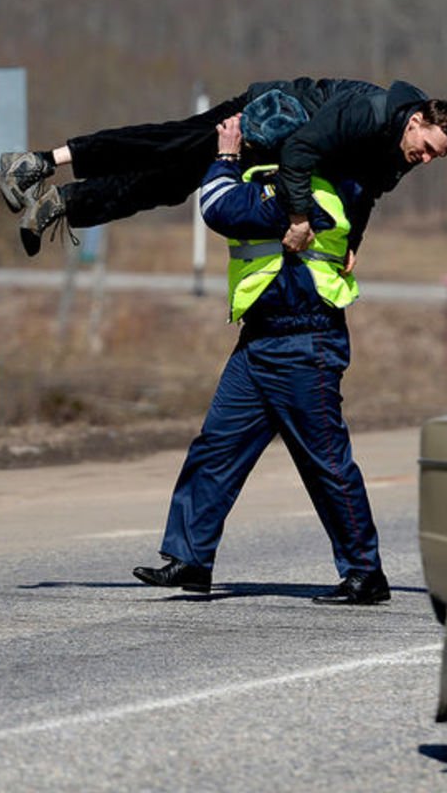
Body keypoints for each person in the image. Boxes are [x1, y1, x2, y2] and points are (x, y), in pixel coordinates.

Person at [131, 114, 390, 605]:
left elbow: (219, 209)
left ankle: (364, 573)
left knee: (327, 465)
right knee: (216, 448)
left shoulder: (306, 190)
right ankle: (190, 559)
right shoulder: (308, 182)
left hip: (305, 342)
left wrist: (226, 156)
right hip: (260, 340)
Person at [0, 77, 447, 256]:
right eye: (425, 147)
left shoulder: (399, 150)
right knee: (170, 145)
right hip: (263, 117)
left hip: (271, 149)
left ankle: (60, 203)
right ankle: (39, 161)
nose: (424, 159)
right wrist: (300, 218)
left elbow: (366, 193)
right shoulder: (370, 112)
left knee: (165, 184)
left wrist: (352, 244)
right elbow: (302, 151)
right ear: (416, 120)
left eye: (434, 158)